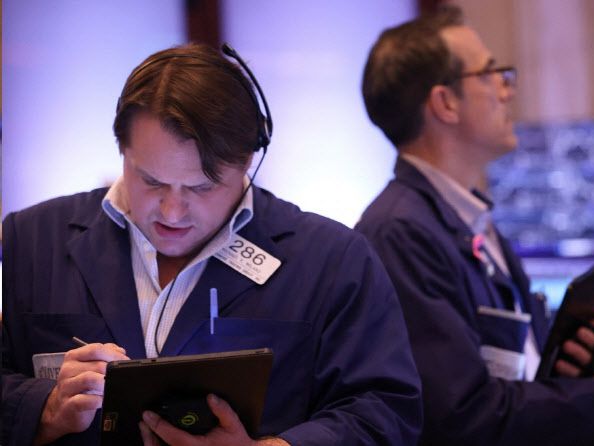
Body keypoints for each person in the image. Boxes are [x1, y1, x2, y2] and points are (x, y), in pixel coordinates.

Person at [1, 43, 423, 446]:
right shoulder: (32, 239)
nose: (172, 212)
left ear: (249, 161)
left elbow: (385, 412)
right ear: (122, 150)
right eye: (151, 181)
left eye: (202, 187)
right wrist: (43, 409)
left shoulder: (333, 260)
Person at [355, 7, 594, 446]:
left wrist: (571, 365)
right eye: (490, 74)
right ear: (445, 103)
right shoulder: (400, 233)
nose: (507, 90)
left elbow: (511, 371)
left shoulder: (468, 220)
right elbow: (462, 416)